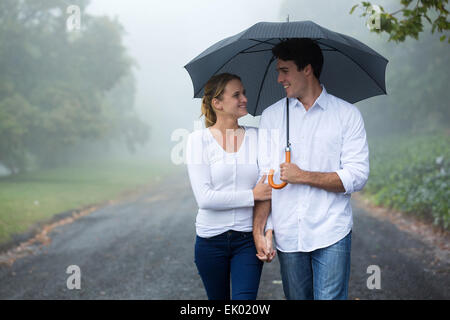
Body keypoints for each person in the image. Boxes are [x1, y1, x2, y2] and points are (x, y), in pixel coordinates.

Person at [253, 38, 370, 300]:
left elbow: (357, 175)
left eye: (285, 70)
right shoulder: (272, 116)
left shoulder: (347, 115)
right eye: (278, 71)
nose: (279, 79)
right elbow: (266, 178)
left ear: (307, 69)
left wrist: (302, 176)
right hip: (288, 232)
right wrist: (264, 228)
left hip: (332, 230)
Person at [185, 73, 272, 300]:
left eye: (243, 92)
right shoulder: (198, 141)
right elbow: (205, 198)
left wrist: (266, 231)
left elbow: (268, 190)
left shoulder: (257, 136)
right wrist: (251, 195)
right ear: (217, 103)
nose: (244, 98)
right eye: (236, 95)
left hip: (246, 241)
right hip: (210, 242)